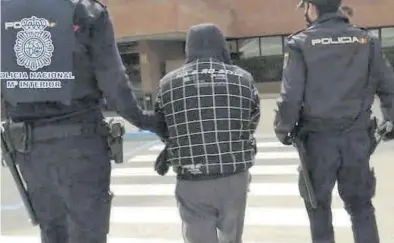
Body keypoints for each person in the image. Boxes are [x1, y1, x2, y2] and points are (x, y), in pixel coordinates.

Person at [1, 0, 165, 242]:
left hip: (29, 150)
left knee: (53, 230)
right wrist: (149, 122)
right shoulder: (86, 12)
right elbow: (113, 82)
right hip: (81, 144)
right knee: (88, 232)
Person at [274, 0, 394, 242]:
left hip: (317, 141)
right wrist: (390, 121)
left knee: (318, 208)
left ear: (312, 8)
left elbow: (291, 95)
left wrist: (283, 128)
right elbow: (389, 87)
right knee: (361, 208)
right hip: (357, 138)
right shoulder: (367, 40)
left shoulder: (300, 43)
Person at [154, 23, 260, 243]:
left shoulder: (168, 84)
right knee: (232, 236)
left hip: (192, 177)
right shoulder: (243, 78)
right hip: (234, 174)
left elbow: (163, 127)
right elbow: (252, 120)